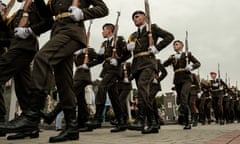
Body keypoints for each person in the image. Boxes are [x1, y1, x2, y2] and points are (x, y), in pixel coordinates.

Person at [0, 0, 108, 143]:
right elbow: (47, 14)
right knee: (64, 81)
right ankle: (71, 127)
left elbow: (103, 9)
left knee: (43, 58)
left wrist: (83, 13)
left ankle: (32, 114)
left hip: (72, 32)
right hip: (58, 33)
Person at [0, 0, 53, 140]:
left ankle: (1, 120)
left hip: (25, 47)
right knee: (23, 88)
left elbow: (49, 22)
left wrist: (29, 30)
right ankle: (30, 127)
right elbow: (10, 35)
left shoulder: (36, 4)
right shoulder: (18, 10)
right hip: (15, 47)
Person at [127, 10, 174, 134]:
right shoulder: (132, 35)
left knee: (142, 87)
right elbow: (128, 52)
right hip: (137, 65)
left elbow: (170, 37)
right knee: (144, 95)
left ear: (145, 17)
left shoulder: (152, 28)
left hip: (148, 63)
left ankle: (140, 120)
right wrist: (127, 48)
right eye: (133, 18)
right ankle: (153, 123)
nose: (135, 19)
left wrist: (157, 48)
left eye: (137, 17)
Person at [85, 23, 132, 133]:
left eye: (104, 30)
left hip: (114, 69)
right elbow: (100, 59)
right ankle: (121, 122)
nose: (102, 32)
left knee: (102, 87)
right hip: (106, 69)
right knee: (114, 97)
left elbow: (128, 54)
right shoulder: (104, 43)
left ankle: (98, 118)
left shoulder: (119, 40)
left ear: (110, 30)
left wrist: (119, 60)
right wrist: (87, 64)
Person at [163, 40, 201, 130]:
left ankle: (188, 121)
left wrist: (191, 67)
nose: (174, 46)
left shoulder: (187, 54)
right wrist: (169, 60)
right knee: (181, 100)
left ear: (182, 46)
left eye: (176, 44)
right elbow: (164, 64)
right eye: (173, 45)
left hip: (186, 78)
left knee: (184, 97)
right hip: (177, 79)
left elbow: (198, 63)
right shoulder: (172, 56)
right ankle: (185, 119)